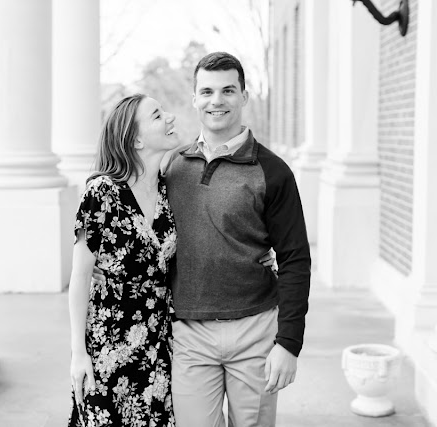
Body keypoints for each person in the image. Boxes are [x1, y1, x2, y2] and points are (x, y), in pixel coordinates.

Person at [165, 52, 311, 427]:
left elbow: (295, 258)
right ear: (195, 98)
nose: (217, 101)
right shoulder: (170, 167)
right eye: (208, 91)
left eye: (228, 90)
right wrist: (101, 266)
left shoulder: (274, 172)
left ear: (244, 95)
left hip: (256, 330)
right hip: (190, 332)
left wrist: (289, 343)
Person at [68, 94, 181, 427]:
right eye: (158, 116)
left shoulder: (168, 190)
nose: (171, 118)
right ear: (136, 139)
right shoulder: (101, 194)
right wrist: (78, 353)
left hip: (159, 344)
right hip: (109, 343)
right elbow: (80, 278)